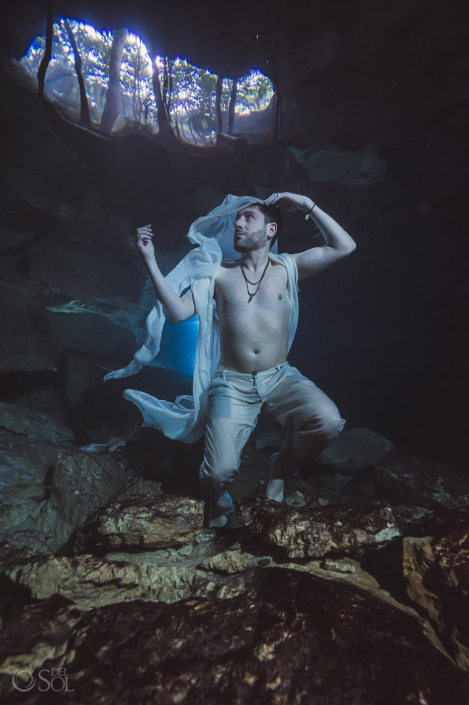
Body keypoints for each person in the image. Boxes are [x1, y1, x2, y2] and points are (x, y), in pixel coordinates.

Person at [132, 192, 356, 526]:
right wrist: (149, 259)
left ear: (270, 231)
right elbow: (178, 313)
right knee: (216, 473)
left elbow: (344, 246)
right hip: (232, 383)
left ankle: (281, 465)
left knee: (328, 421)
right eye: (237, 218)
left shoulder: (288, 268)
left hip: (280, 378)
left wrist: (305, 203)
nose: (238, 222)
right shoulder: (218, 275)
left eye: (248, 218)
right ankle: (221, 510)